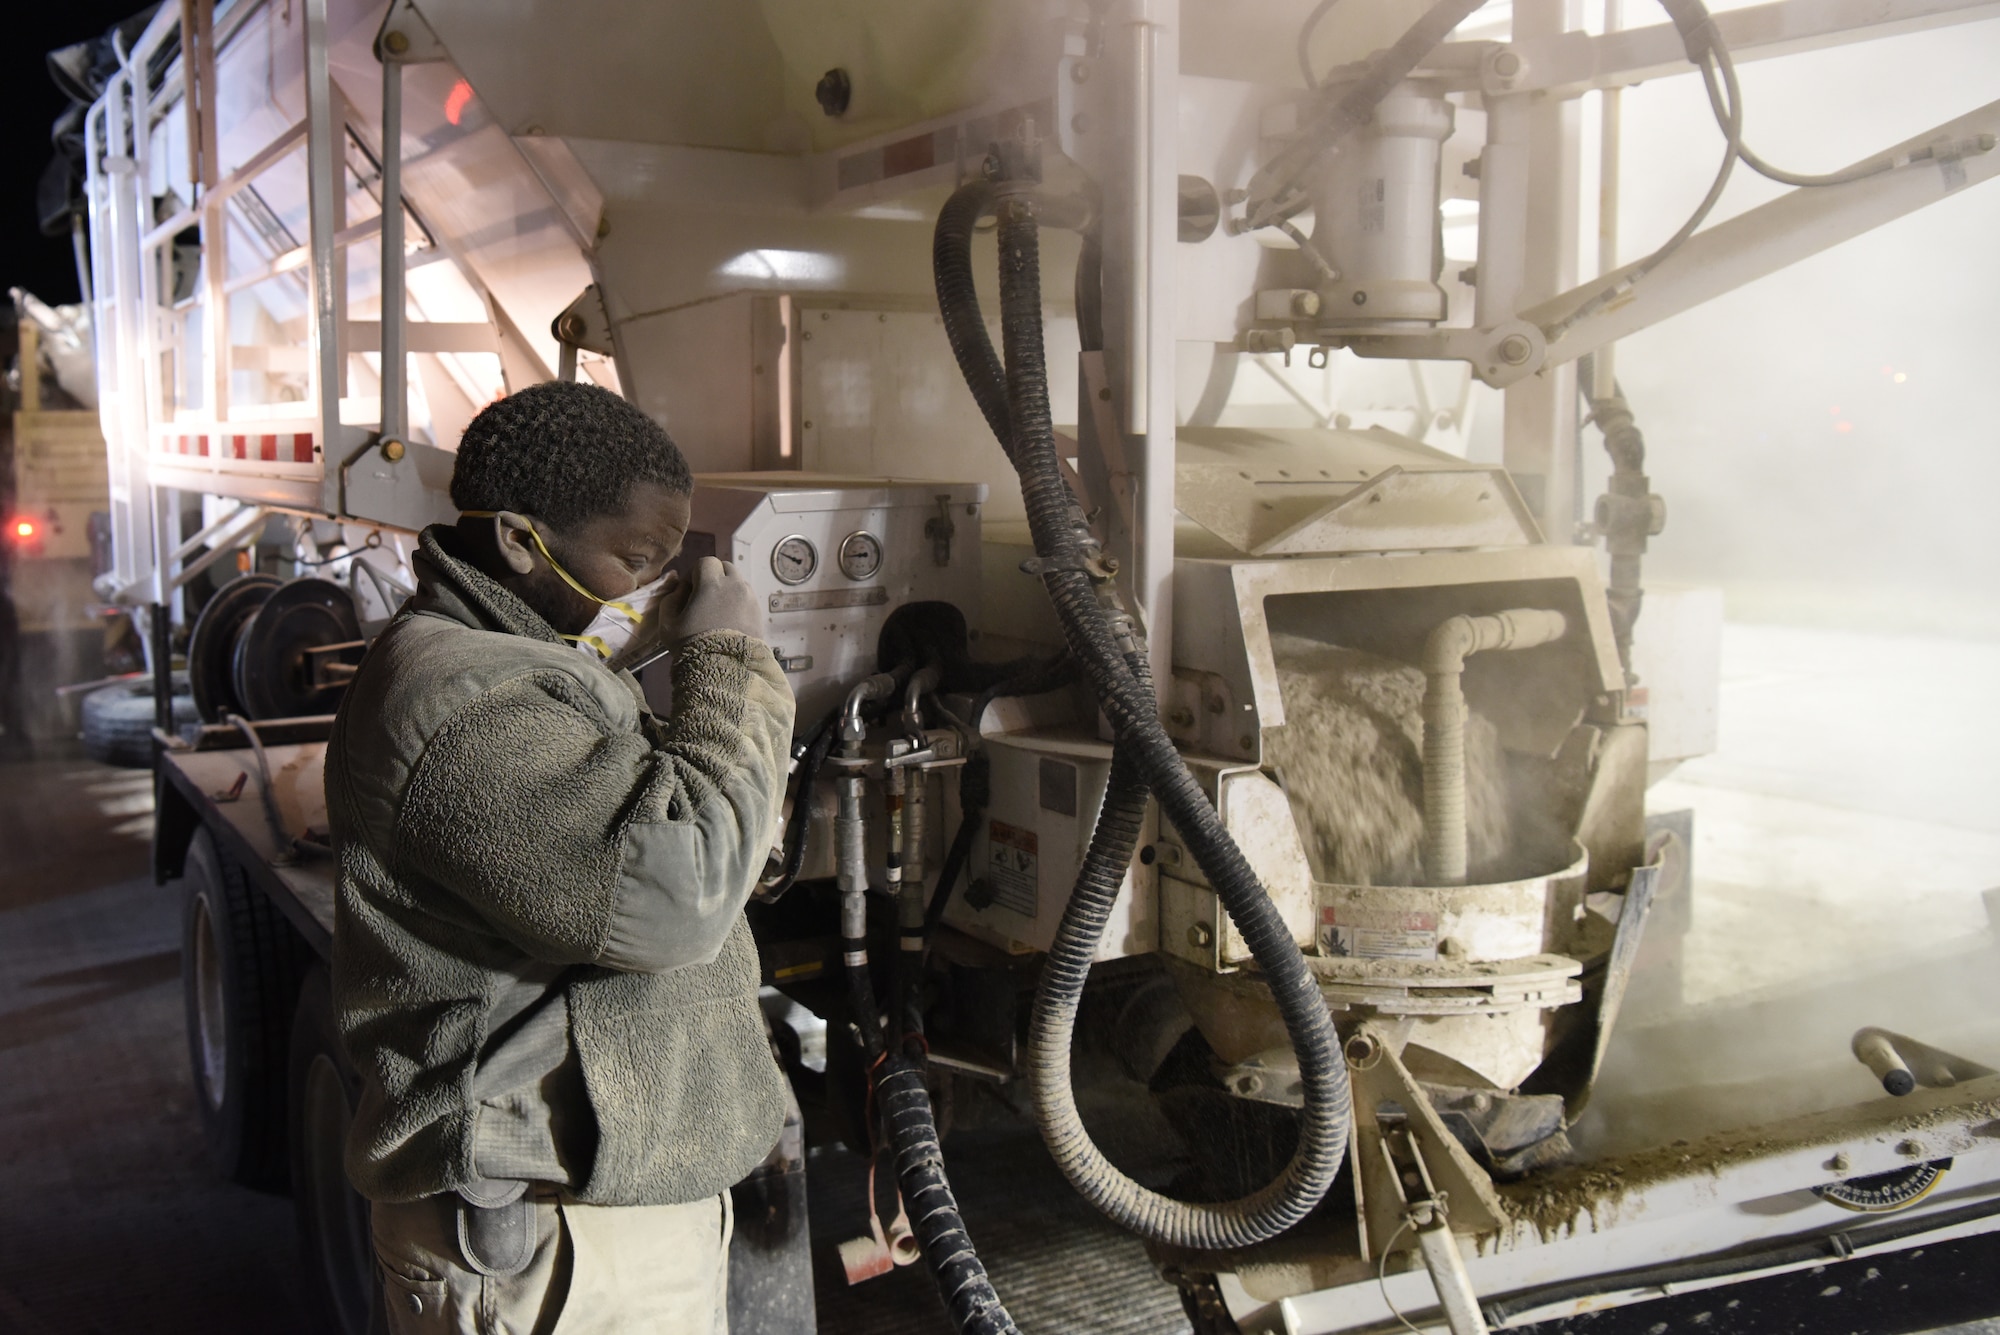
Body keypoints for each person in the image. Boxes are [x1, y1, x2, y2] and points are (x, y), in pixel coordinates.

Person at [325, 380, 794, 1334]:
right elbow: (675, 897)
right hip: (547, 1238)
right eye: (636, 558)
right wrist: (730, 662)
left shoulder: (521, 663)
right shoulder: (456, 701)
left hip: (595, 1208)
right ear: (516, 540)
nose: (654, 586)